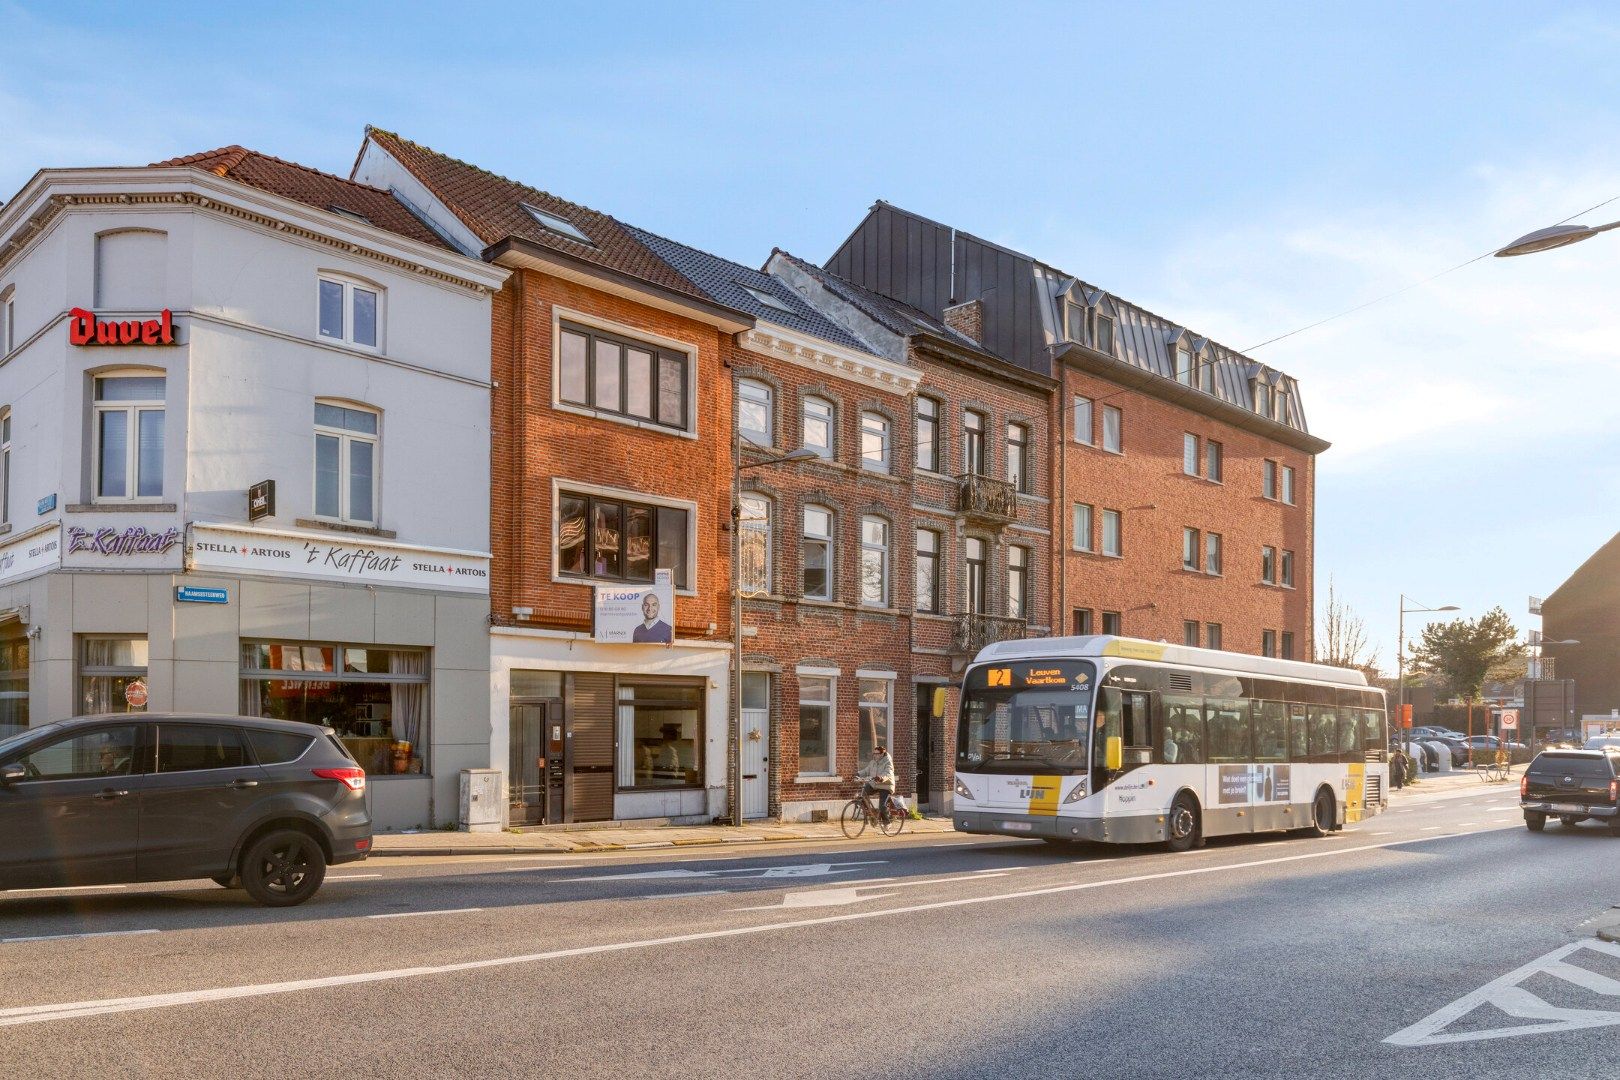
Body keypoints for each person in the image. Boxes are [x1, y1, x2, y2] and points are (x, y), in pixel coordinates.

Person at [857, 743, 896, 821]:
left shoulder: (887, 762)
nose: (874, 755)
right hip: (875, 784)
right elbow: (866, 770)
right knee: (863, 793)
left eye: (877, 754)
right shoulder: (873, 762)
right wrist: (857, 773)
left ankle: (886, 822)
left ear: (882, 754)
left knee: (882, 806)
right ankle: (870, 812)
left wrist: (881, 778)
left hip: (886, 785)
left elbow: (888, 773)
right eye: (874, 753)